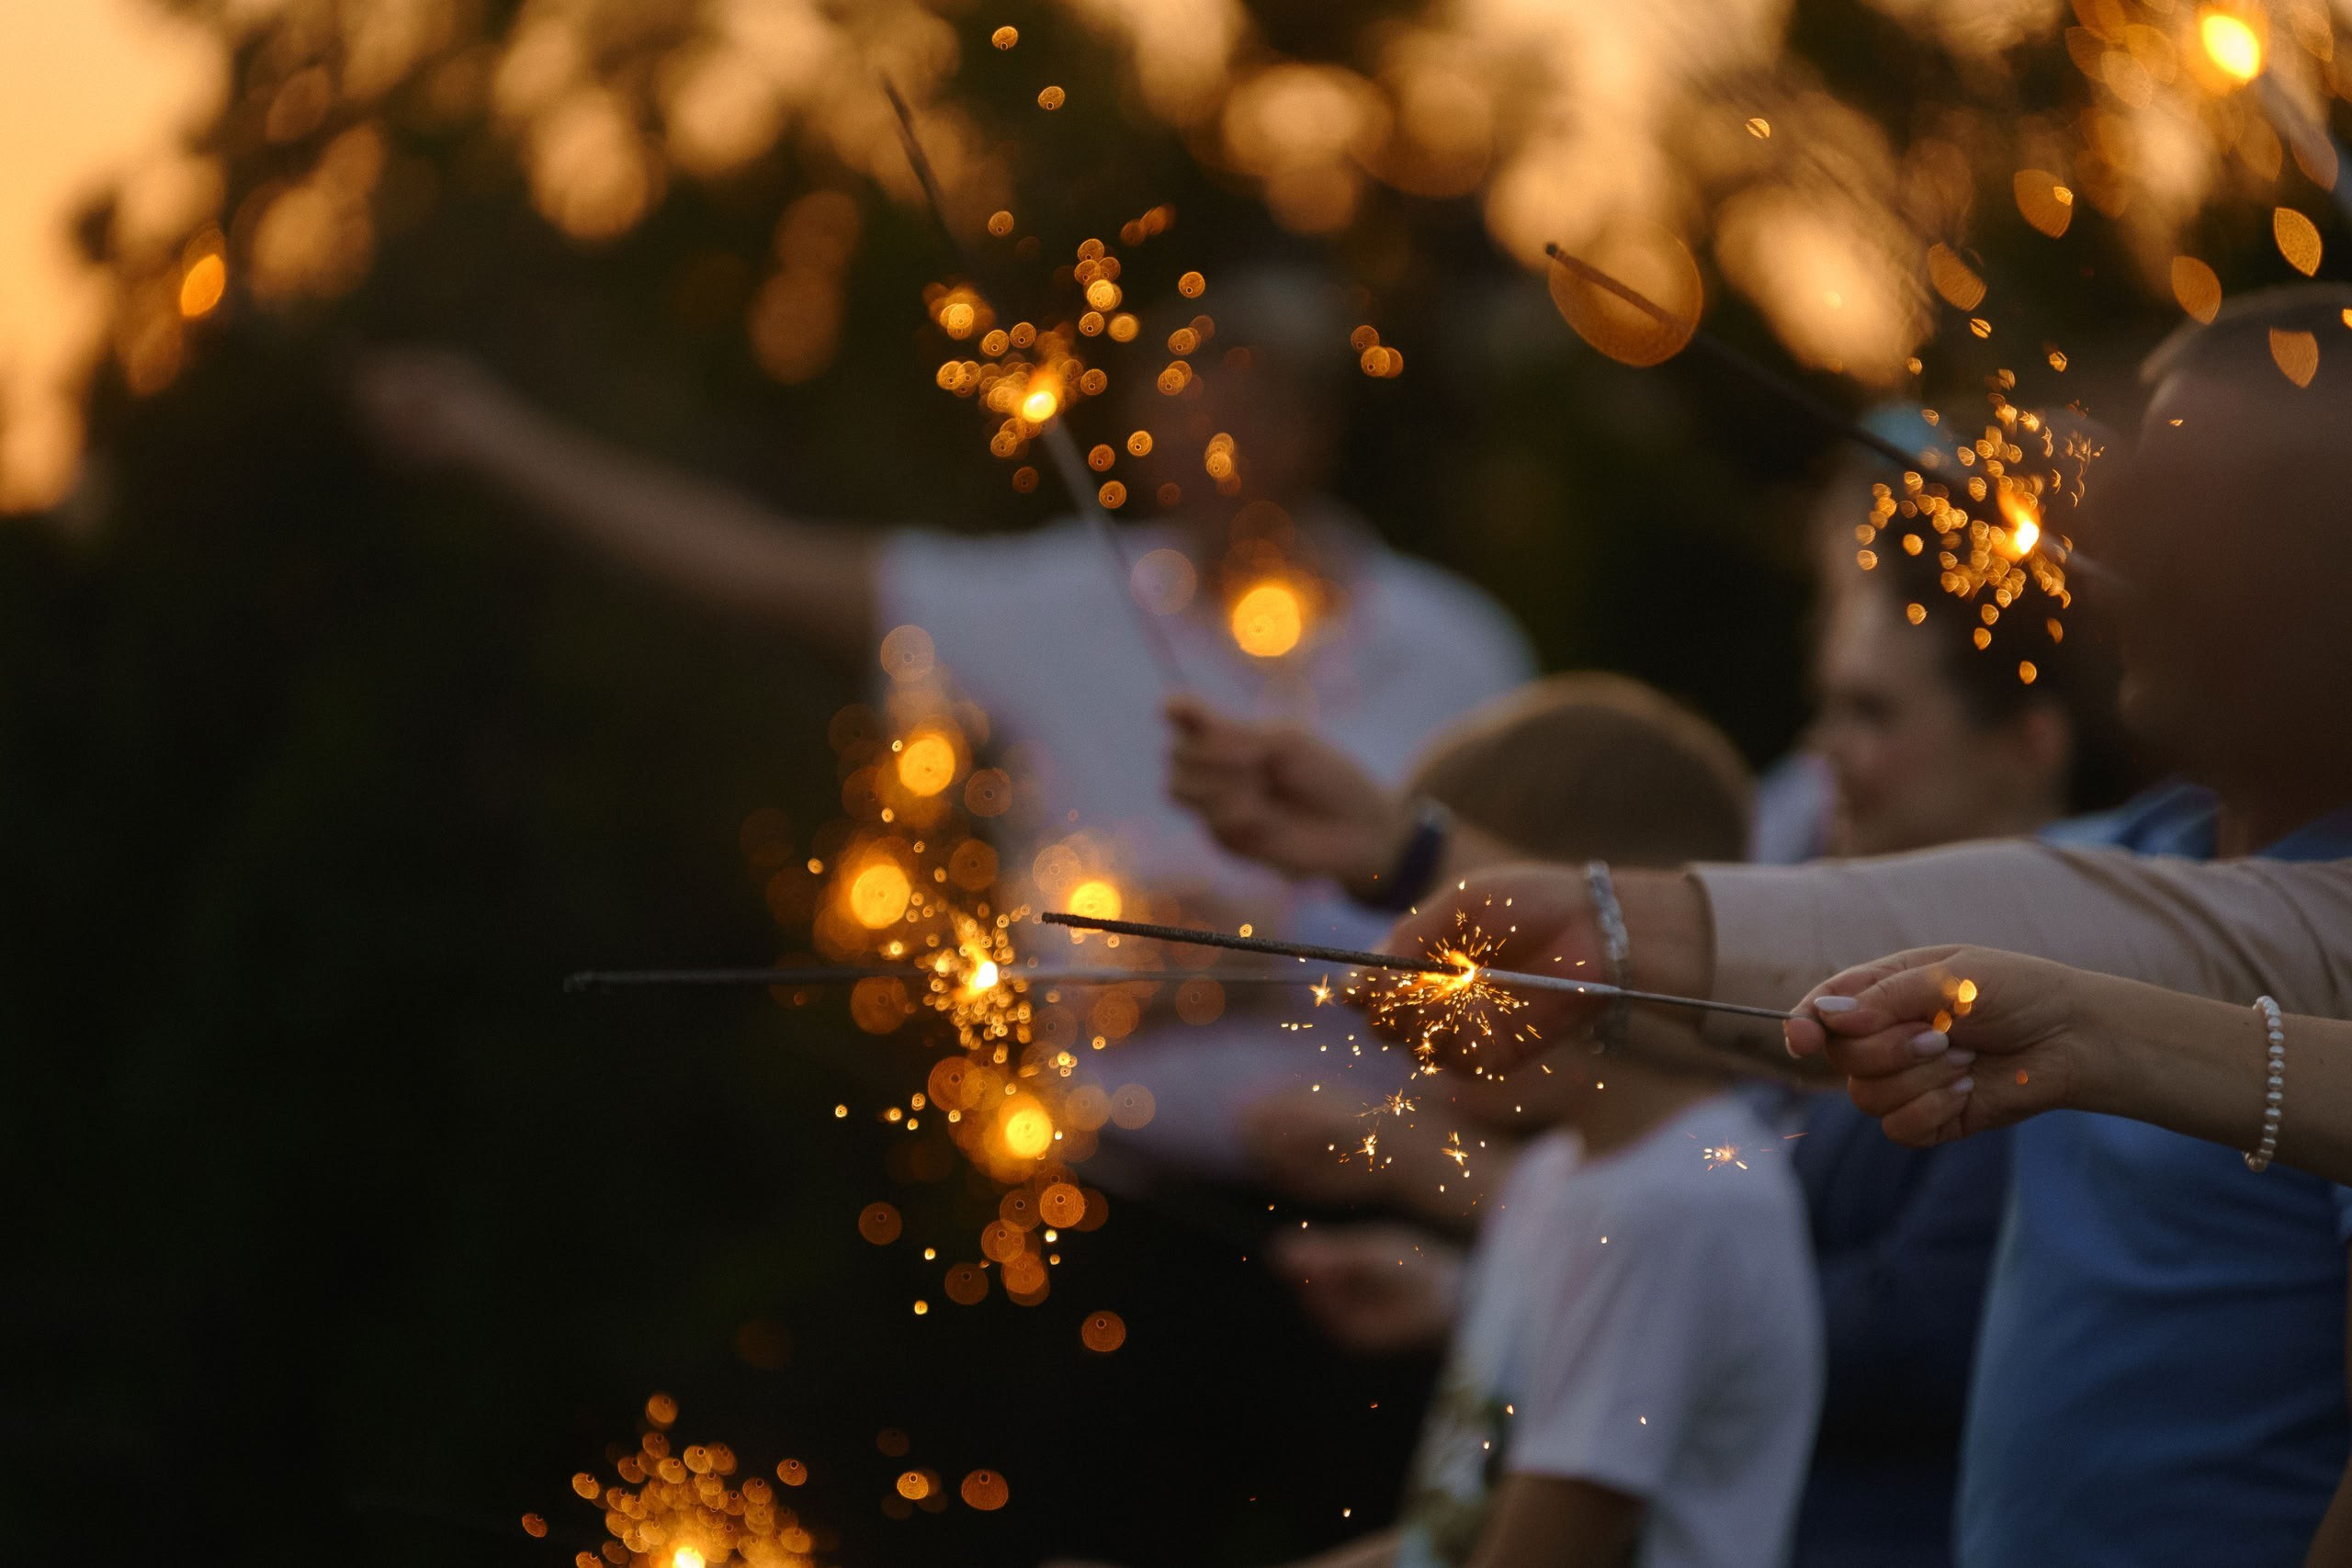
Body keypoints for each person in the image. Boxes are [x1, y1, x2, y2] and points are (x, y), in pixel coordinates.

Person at [1373, 285, 2352, 1565]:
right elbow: (1869, 938)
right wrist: (1417, 857)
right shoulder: (2134, 853)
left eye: (2198, 526)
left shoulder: (2279, 925)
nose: (2111, 572)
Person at [1119, 676, 1823, 1568]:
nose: (1408, 1004)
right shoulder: (1561, 1177)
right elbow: (1442, 1544)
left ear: (1560, 943)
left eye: (1448, 957)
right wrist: (1461, 1298)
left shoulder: (1664, 1213)